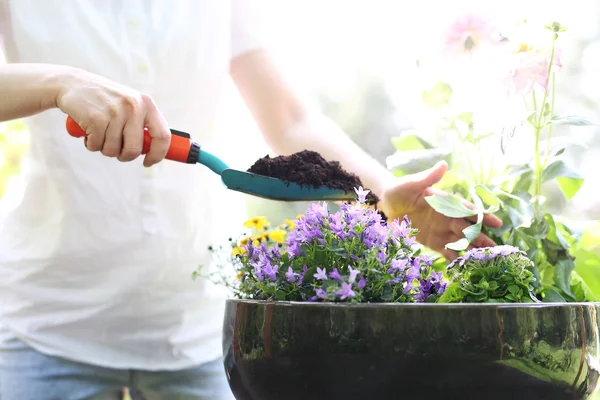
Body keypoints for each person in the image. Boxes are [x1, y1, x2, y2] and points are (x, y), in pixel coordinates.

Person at [0, 1, 503, 399]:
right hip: (48, 327)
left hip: (200, 332)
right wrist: (58, 83)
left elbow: (290, 119)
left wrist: (384, 200)